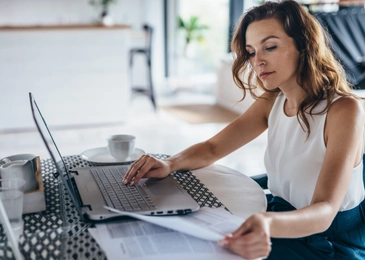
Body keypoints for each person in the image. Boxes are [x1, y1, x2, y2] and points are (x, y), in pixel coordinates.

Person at [122, 0, 365, 259]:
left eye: (270, 47)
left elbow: (325, 210)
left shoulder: (344, 110)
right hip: (280, 217)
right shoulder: (273, 99)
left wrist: (267, 223)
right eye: (250, 52)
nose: (257, 61)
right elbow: (214, 148)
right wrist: (169, 163)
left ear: (304, 45)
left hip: (328, 241)